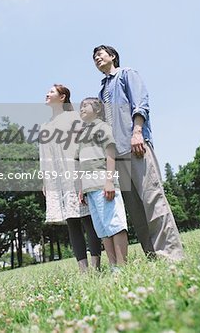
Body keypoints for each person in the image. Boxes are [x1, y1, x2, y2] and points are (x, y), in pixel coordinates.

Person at [92, 45, 184, 261]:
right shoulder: (101, 91)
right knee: (135, 209)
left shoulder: (126, 74)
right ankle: (153, 256)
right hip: (118, 156)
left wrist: (137, 132)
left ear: (112, 56)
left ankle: (171, 255)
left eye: (100, 53)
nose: (96, 57)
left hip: (135, 145)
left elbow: (141, 103)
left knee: (152, 199)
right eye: (94, 57)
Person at [39, 84, 102, 271]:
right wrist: (45, 180)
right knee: (71, 222)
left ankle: (96, 266)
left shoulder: (75, 118)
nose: (47, 94)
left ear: (62, 97)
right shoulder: (45, 126)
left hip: (76, 171)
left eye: (51, 91)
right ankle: (83, 270)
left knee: (87, 217)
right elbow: (44, 156)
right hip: (58, 178)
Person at [77, 97, 128, 272]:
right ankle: (113, 266)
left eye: (86, 105)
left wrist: (109, 181)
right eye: (80, 106)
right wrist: (82, 188)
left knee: (114, 224)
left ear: (98, 110)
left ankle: (122, 267)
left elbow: (110, 154)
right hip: (90, 188)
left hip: (103, 183)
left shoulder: (102, 128)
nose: (81, 108)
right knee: (103, 229)